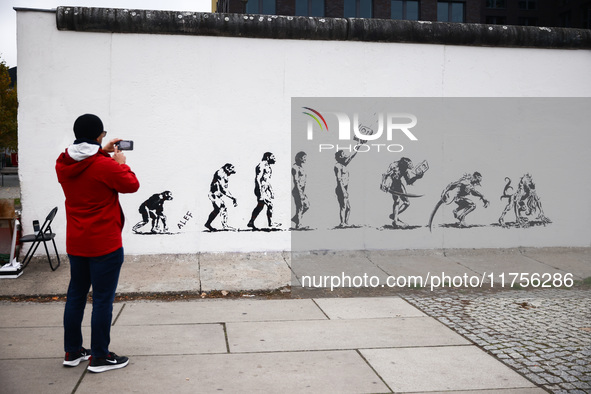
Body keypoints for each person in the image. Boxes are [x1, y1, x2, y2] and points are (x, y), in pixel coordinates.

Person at [55, 114, 140, 373]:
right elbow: (131, 185)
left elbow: (86, 164)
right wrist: (121, 162)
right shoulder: (106, 165)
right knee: (102, 300)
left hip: (77, 242)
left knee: (75, 296)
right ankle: (100, 357)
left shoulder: (62, 163)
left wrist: (100, 152)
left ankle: (72, 351)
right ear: (98, 136)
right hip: (105, 243)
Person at [382, 157, 425, 228]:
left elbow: (408, 181)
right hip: (393, 184)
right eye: (409, 164)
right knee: (397, 201)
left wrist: (417, 177)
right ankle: (395, 221)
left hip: (399, 184)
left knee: (406, 203)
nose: (411, 166)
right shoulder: (394, 166)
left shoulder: (404, 170)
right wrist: (384, 184)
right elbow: (385, 175)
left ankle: (394, 216)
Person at [247, 152, 279, 229]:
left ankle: (251, 222)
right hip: (260, 189)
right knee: (270, 204)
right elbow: (258, 179)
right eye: (273, 157)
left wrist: (271, 190)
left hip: (264, 189)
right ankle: (271, 223)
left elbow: (266, 180)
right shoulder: (261, 165)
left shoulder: (268, 166)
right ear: (268, 157)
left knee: (260, 207)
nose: (274, 159)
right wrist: (260, 191)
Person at [205, 163, 237, 231]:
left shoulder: (224, 173)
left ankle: (208, 224)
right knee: (222, 207)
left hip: (216, 194)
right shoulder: (221, 173)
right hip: (214, 194)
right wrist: (233, 198)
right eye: (231, 168)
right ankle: (225, 226)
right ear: (227, 168)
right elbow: (223, 189)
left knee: (216, 210)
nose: (232, 171)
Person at [334, 148, 359, 227]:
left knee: (348, 207)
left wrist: (359, 145)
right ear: (340, 156)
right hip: (341, 188)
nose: (345, 155)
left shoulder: (344, 164)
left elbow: (352, 156)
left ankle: (346, 223)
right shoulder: (338, 166)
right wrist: (344, 191)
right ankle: (342, 223)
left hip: (344, 188)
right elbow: (339, 179)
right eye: (343, 154)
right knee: (343, 206)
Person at [291, 151, 309, 229]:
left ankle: (296, 219)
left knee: (307, 205)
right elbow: (296, 181)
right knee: (300, 207)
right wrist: (300, 192)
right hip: (297, 190)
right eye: (304, 157)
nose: (305, 159)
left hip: (301, 190)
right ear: (299, 158)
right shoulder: (295, 167)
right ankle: (299, 225)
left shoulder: (301, 167)